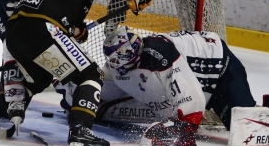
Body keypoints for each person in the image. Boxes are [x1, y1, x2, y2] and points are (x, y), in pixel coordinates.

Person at [1, 0, 152, 146]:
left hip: (16, 32)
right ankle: (81, 132)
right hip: (43, 29)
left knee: (40, 78)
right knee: (90, 75)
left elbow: (55, 10)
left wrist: (73, 29)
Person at [94, 28, 256, 135]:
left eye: (120, 54)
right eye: (112, 57)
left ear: (133, 49)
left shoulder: (160, 55)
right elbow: (104, 94)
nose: (115, 62)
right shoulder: (115, 68)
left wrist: (186, 127)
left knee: (245, 127)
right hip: (197, 75)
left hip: (218, 64)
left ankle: (258, 109)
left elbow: (188, 90)